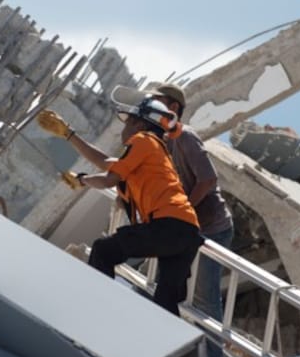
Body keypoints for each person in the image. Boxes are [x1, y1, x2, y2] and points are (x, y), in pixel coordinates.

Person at [37, 97, 204, 316]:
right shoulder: (152, 152)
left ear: (141, 125)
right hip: (187, 231)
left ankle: (99, 312)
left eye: (128, 122)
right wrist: (81, 176)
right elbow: (108, 165)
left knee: (103, 250)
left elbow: (108, 178)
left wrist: (80, 171)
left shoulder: (143, 140)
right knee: (166, 302)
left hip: (169, 225)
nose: (124, 129)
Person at [149, 83, 234, 357]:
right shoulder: (162, 140)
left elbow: (207, 180)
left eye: (157, 102)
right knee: (168, 283)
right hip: (186, 226)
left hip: (212, 227)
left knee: (205, 296)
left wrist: (183, 208)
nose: (151, 107)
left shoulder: (185, 138)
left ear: (172, 108)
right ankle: (167, 343)